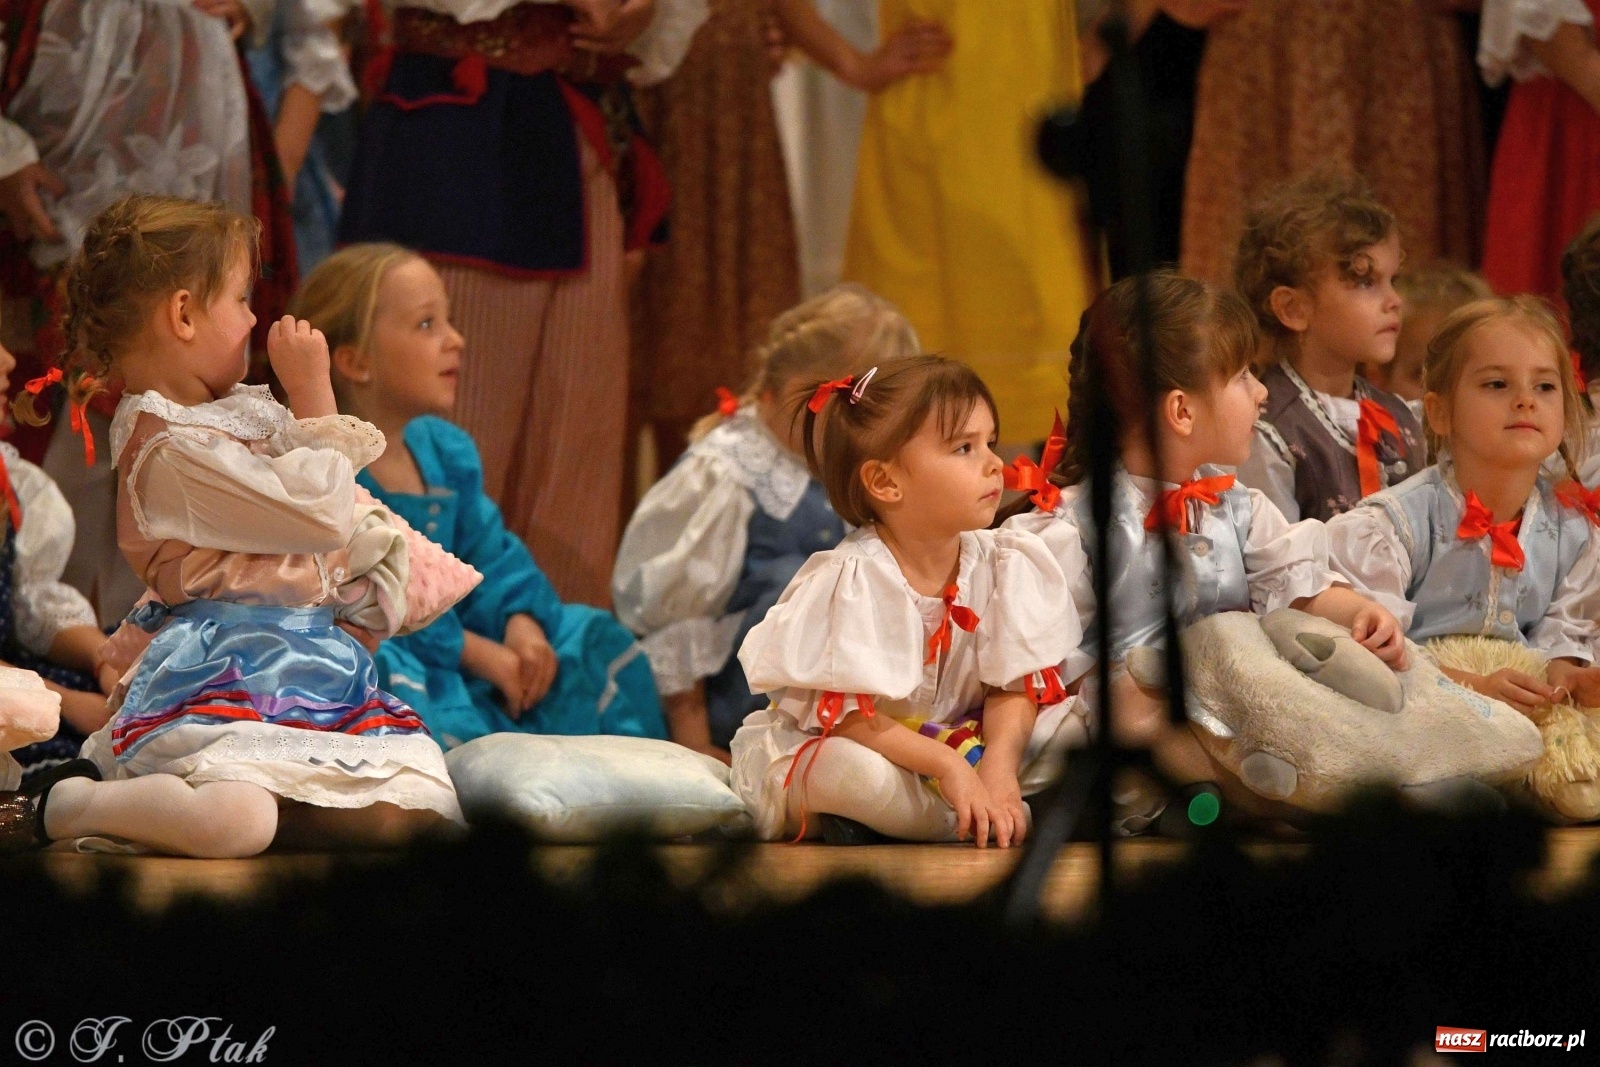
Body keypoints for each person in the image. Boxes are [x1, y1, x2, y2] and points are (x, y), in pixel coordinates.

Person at [0, 195, 462, 856]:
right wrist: (314, 392)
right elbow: (321, 515)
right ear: (184, 314)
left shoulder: (235, 416)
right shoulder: (167, 452)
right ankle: (73, 804)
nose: (254, 318)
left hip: (309, 668)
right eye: (242, 298)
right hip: (225, 674)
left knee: (415, 816)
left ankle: (289, 808)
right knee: (239, 820)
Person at [1004, 271, 1405, 828]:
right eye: (1242, 376)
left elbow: (1297, 585)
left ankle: (1296, 787)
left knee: (1305, 666)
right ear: (1182, 411)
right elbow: (1040, 670)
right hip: (1136, 732)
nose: (1262, 392)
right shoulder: (1077, 525)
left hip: (1236, 709)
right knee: (1140, 704)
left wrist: (1359, 611)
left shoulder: (1236, 505)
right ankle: (1269, 799)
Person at [296, 243, 667, 749]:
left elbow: (493, 552)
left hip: (481, 646)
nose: (456, 340)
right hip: (411, 651)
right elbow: (364, 599)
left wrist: (520, 624)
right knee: (381, 666)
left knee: (588, 634)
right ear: (356, 362)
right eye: (427, 324)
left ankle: (635, 772)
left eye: (448, 321)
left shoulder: (446, 452)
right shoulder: (331, 472)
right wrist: (477, 655)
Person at [730, 355, 1081, 845]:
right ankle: (954, 820)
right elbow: (849, 721)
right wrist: (949, 767)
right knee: (849, 772)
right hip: (865, 748)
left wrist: (998, 771)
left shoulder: (1006, 562)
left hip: (958, 743)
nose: (994, 464)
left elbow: (1013, 686)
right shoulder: (854, 577)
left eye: (990, 442)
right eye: (964, 447)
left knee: (1075, 728)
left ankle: (968, 808)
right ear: (886, 482)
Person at [615, 285, 917, 758]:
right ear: (808, 394)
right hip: (743, 714)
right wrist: (694, 746)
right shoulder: (727, 471)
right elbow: (674, 616)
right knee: (797, 579)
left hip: (840, 712)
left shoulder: (840, 463)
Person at [1234, 173, 1427, 522]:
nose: (1395, 301)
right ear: (1294, 309)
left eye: (1392, 280)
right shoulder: (1269, 431)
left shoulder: (1399, 415)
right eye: (1366, 282)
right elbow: (1275, 551)